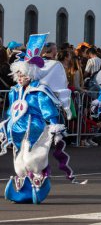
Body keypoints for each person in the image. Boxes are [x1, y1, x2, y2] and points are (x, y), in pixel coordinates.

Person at [0, 33, 77, 204]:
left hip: (35, 127)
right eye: (18, 75)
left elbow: (48, 109)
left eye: (23, 75)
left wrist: (55, 126)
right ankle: (23, 185)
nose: (20, 78)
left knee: (33, 157)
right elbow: (12, 110)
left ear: (31, 74)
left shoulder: (40, 91)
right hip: (17, 128)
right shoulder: (15, 91)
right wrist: (5, 125)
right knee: (19, 161)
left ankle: (38, 178)